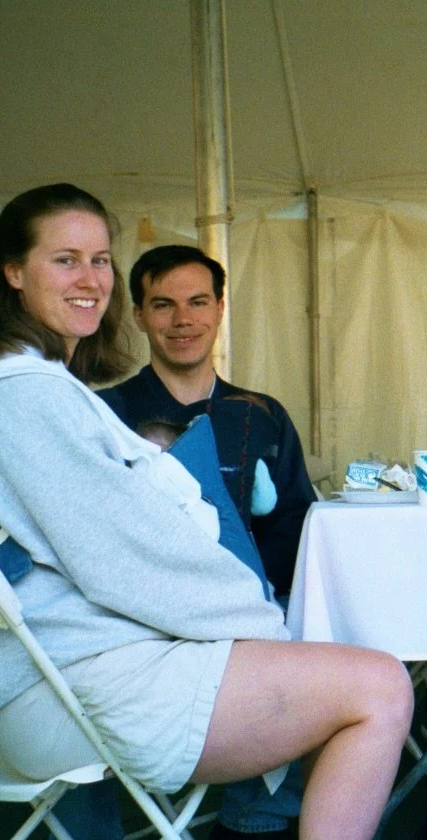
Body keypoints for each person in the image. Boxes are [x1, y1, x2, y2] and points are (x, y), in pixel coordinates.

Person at [0, 183, 411, 840]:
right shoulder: (25, 400)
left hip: (38, 680)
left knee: (329, 672)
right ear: (13, 272)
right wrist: (256, 620)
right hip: (68, 694)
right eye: (65, 260)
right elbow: (125, 562)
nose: (90, 279)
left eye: (100, 260)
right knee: (380, 687)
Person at [100, 245, 314, 601]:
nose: (182, 319)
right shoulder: (108, 412)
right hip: (148, 610)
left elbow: (297, 522)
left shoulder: (263, 414)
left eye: (198, 302)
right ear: (139, 316)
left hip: (256, 607)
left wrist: (252, 590)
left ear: (220, 309)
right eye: (163, 305)